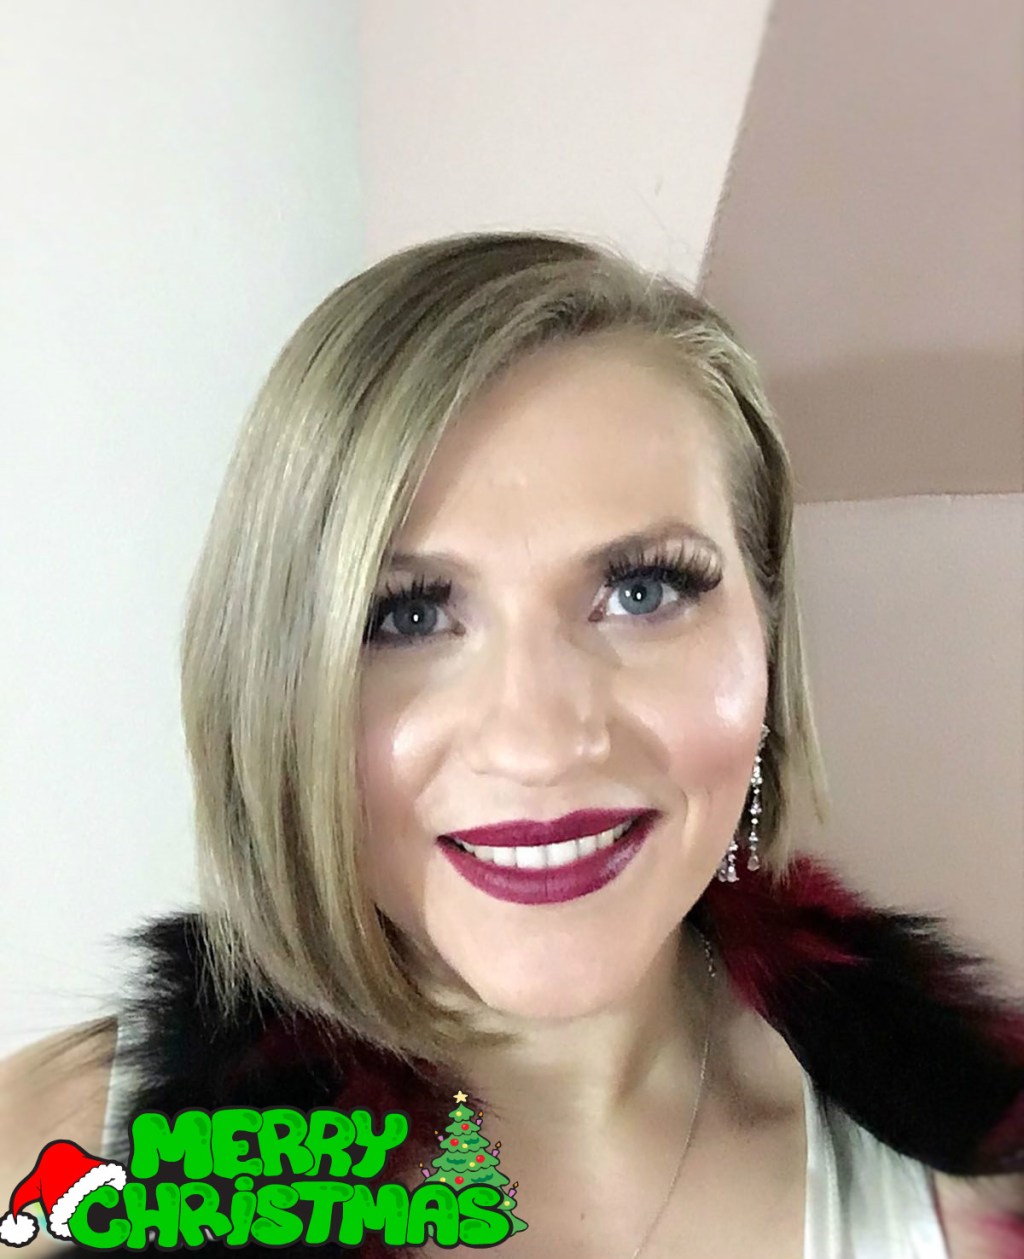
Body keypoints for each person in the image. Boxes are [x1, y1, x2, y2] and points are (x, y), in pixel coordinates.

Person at [2, 232, 1021, 1258]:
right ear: (274, 687)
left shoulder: (975, 1180)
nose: (540, 744)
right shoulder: (48, 1162)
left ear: (766, 637)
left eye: (643, 591)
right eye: (406, 614)